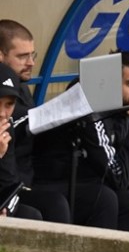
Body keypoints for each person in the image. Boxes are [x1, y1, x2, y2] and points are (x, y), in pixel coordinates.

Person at [32, 52, 129, 234]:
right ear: (112, 83)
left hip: (99, 183)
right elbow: (117, 177)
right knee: (111, 198)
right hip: (61, 182)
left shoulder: (128, 108)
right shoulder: (91, 107)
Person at [0, 20, 109, 224]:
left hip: (27, 178)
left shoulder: (22, 88)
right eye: (22, 56)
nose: (31, 63)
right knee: (50, 206)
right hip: (15, 183)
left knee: (103, 197)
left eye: (32, 55)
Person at [0, 62, 41, 220]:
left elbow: (10, 184)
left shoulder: (5, 127)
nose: (2, 113)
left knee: (37, 213)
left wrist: (6, 210)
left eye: (9, 105)